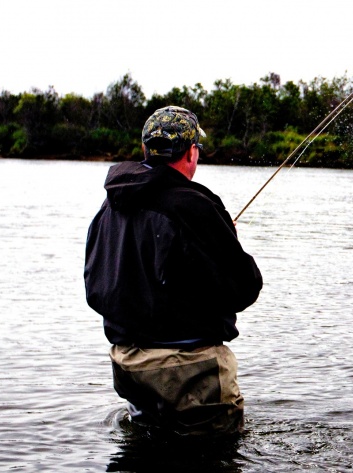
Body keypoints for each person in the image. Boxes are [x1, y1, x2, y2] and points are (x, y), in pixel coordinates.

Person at [84, 106, 263, 435]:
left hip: (129, 368)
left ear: (144, 150)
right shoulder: (195, 206)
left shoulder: (110, 205)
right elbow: (244, 288)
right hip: (190, 373)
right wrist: (228, 240)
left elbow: (96, 286)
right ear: (192, 152)